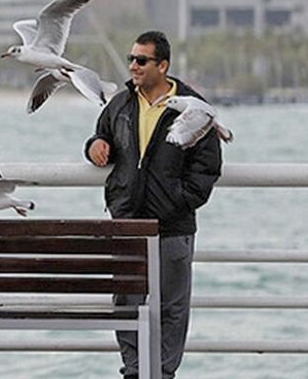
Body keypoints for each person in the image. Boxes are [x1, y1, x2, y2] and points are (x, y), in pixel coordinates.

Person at [84, 30, 222, 379]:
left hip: (172, 225)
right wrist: (95, 145)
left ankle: (162, 373)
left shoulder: (193, 105)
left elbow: (207, 167)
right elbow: (102, 134)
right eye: (131, 58)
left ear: (163, 65)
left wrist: (178, 200)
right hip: (128, 221)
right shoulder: (120, 103)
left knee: (172, 308)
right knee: (126, 303)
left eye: (141, 60)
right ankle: (134, 371)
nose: (133, 66)